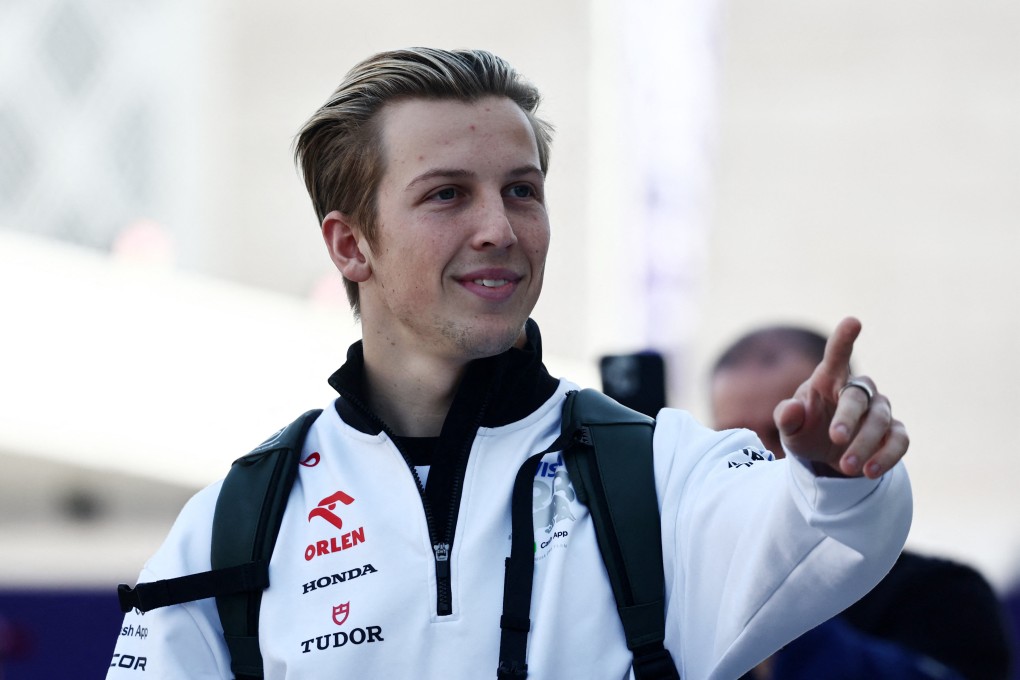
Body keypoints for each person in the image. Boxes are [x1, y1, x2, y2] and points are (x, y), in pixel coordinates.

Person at [107, 48, 912, 679]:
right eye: (448, 194)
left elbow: (822, 532)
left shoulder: (658, 473)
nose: (500, 227)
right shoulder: (236, 524)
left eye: (521, 191)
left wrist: (840, 473)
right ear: (350, 244)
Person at [712, 325, 1012, 680]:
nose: (760, 458)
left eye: (789, 431)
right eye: (737, 440)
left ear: (849, 423)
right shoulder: (688, 598)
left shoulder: (943, 595)